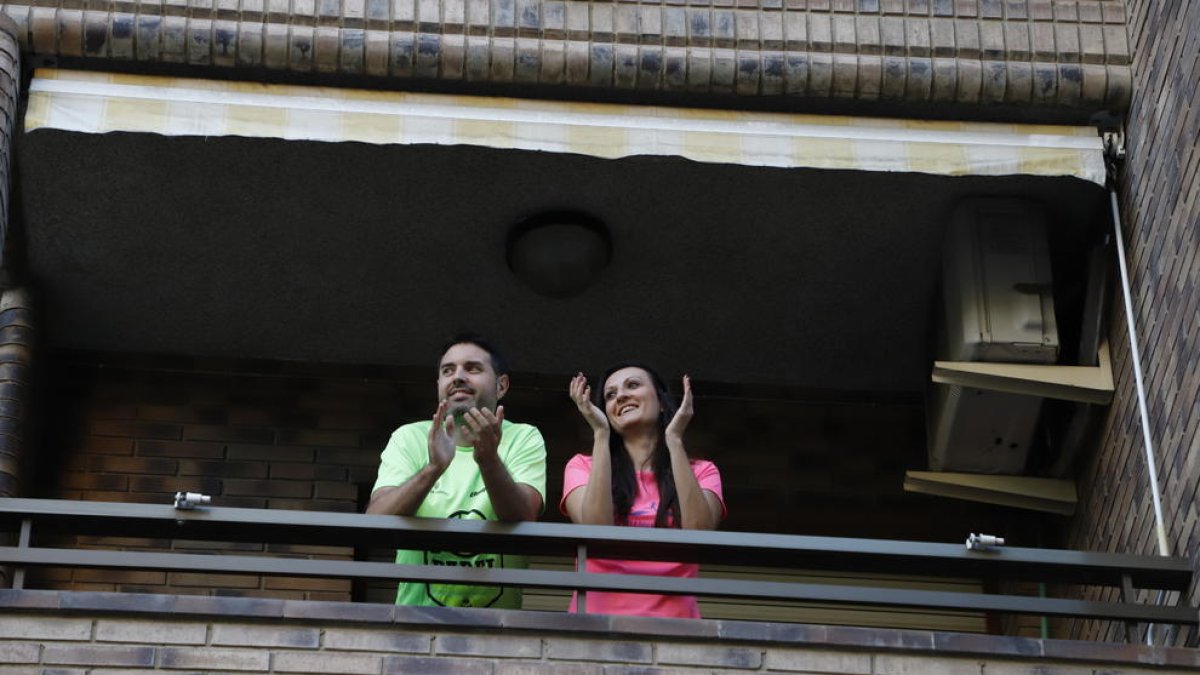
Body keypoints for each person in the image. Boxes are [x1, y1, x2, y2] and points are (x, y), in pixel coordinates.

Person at [367, 333, 547, 609]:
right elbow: (375, 523)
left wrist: (489, 460)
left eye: (472, 368)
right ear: (438, 384)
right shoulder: (409, 437)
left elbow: (523, 516)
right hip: (416, 622)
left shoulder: (524, 437)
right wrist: (433, 468)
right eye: (447, 370)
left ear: (502, 385)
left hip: (501, 629)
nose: (458, 377)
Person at [561, 362, 725, 618]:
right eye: (610, 395)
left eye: (633, 385)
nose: (621, 396)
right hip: (596, 627)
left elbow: (699, 536)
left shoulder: (702, 471)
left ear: (661, 403)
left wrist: (674, 440)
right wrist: (601, 433)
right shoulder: (582, 466)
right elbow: (596, 532)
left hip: (676, 627)